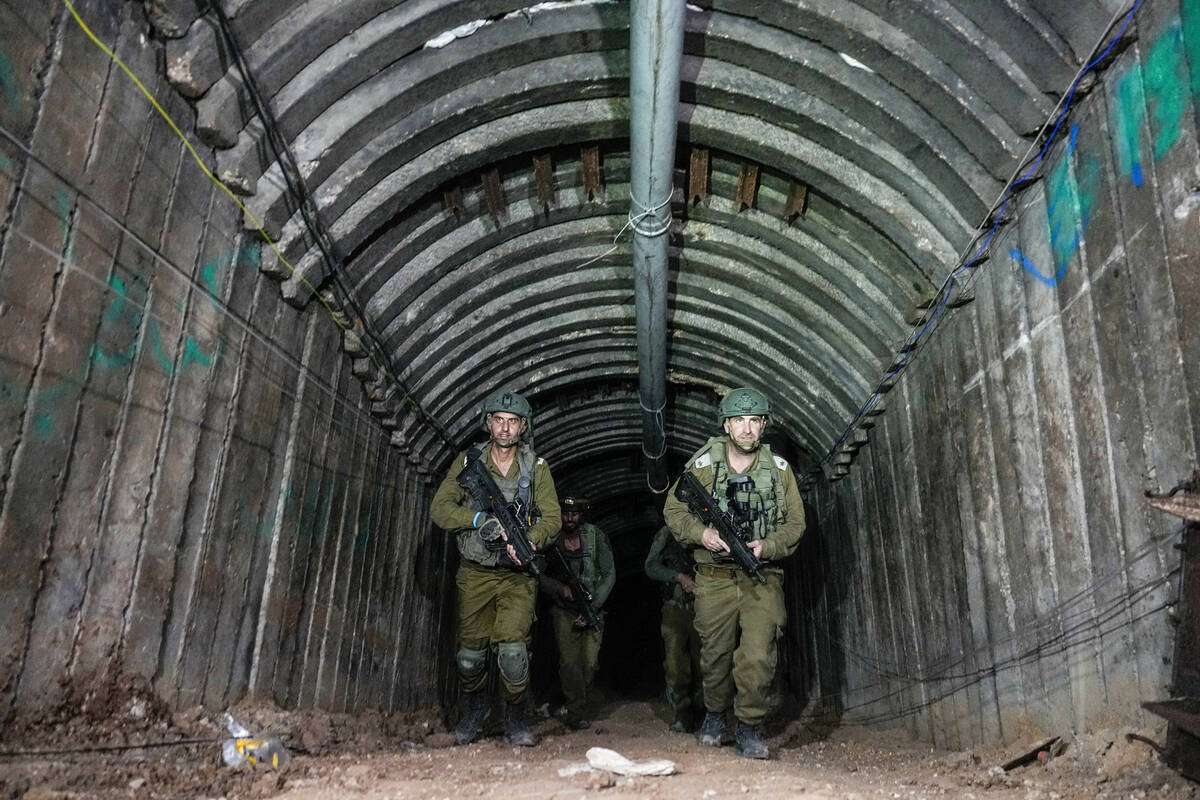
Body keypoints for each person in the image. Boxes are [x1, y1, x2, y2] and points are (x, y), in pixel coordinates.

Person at [662, 387, 805, 760]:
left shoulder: (779, 471)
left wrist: (768, 546)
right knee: (714, 655)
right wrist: (703, 534)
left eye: (753, 421)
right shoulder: (704, 465)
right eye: (739, 421)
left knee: (758, 655)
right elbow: (674, 512)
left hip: (762, 575)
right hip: (713, 577)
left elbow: (795, 524)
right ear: (726, 425)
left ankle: (748, 725)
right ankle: (714, 714)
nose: (746, 429)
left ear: (762, 427)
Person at [431, 390, 560, 746]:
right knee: (470, 655)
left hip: (517, 577)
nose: (505, 428)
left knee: (513, 651)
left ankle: (514, 718)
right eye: (498, 420)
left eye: (512, 421)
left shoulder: (536, 468)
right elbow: (440, 509)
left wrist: (531, 541)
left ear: (523, 427)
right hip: (475, 571)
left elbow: (552, 518)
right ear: (489, 424)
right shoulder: (467, 462)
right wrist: (476, 519)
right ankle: (476, 710)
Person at [538, 495, 615, 730]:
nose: (569, 518)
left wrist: (591, 607)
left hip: (593, 609)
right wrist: (559, 588)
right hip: (564, 611)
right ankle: (575, 712)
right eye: (565, 513)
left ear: (581, 515)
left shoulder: (594, 536)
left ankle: (578, 700)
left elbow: (609, 573)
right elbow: (537, 574)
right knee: (570, 663)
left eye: (574, 514)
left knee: (589, 664)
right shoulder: (551, 537)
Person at [644, 523, 702, 733]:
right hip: (675, 607)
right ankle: (682, 710)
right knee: (675, 662)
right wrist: (677, 577)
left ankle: (706, 708)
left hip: (705, 606)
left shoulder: (713, 526)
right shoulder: (667, 532)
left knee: (707, 662)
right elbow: (650, 566)